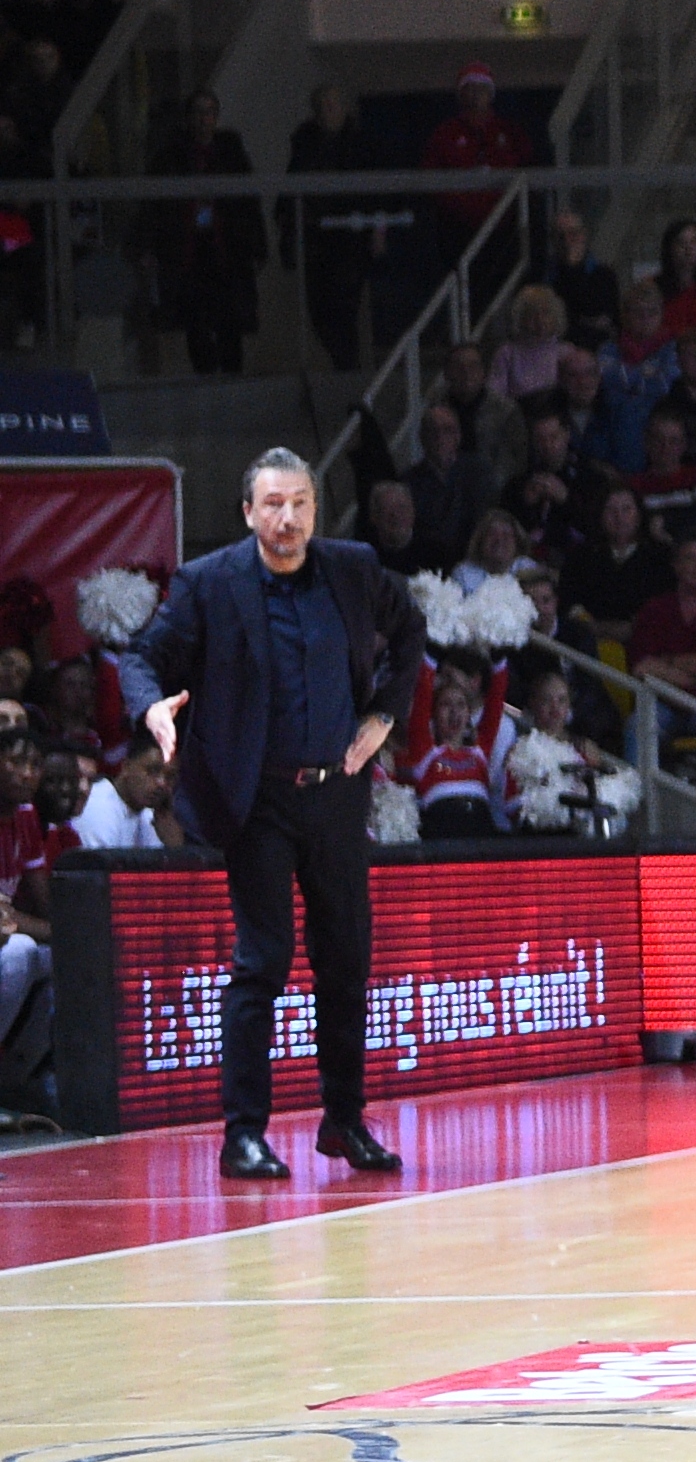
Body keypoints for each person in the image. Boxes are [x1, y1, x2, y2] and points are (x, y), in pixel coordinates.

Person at [136, 450, 419, 1183]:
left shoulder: (352, 570)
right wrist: (153, 705)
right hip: (257, 798)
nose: (286, 518)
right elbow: (142, 656)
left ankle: (344, 1123)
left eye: (299, 503)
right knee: (262, 961)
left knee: (346, 962)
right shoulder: (210, 582)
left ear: (315, 511)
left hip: (336, 794)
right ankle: (244, 1135)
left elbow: (411, 629)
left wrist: (386, 712)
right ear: (247, 512)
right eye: (272, 505)